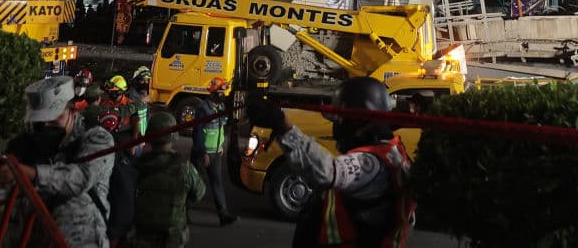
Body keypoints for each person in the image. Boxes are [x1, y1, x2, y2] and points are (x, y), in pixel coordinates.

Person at [248, 76, 415, 248]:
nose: (337, 126)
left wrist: (283, 126)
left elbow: (327, 172)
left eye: (340, 118)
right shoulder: (392, 151)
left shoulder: (372, 163)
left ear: (357, 119)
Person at [0, 76, 115, 248]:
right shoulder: (26, 144)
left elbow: (80, 177)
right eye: (39, 123)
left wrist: (29, 173)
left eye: (54, 120)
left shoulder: (96, 138)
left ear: (73, 112)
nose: (46, 127)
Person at [129, 111, 206, 248]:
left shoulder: (136, 166)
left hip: (141, 239)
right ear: (173, 136)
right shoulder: (184, 167)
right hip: (172, 240)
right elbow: (199, 193)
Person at [97, 75, 140, 246]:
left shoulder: (129, 104)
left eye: (114, 93)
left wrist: (134, 142)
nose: (111, 95)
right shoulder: (107, 103)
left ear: (122, 92)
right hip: (110, 137)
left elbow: (136, 121)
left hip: (125, 138)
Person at [191, 77, 238, 226]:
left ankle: (223, 216)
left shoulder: (221, 108)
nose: (223, 94)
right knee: (191, 184)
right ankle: (181, 212)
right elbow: (197, 132)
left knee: (217, 184)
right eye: (220, 92)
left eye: (223, 92)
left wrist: (221, 146)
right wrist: (202, 152)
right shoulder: (203, 109)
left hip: (216, 153)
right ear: (212, 93)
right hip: (202, 155)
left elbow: (220, 129)